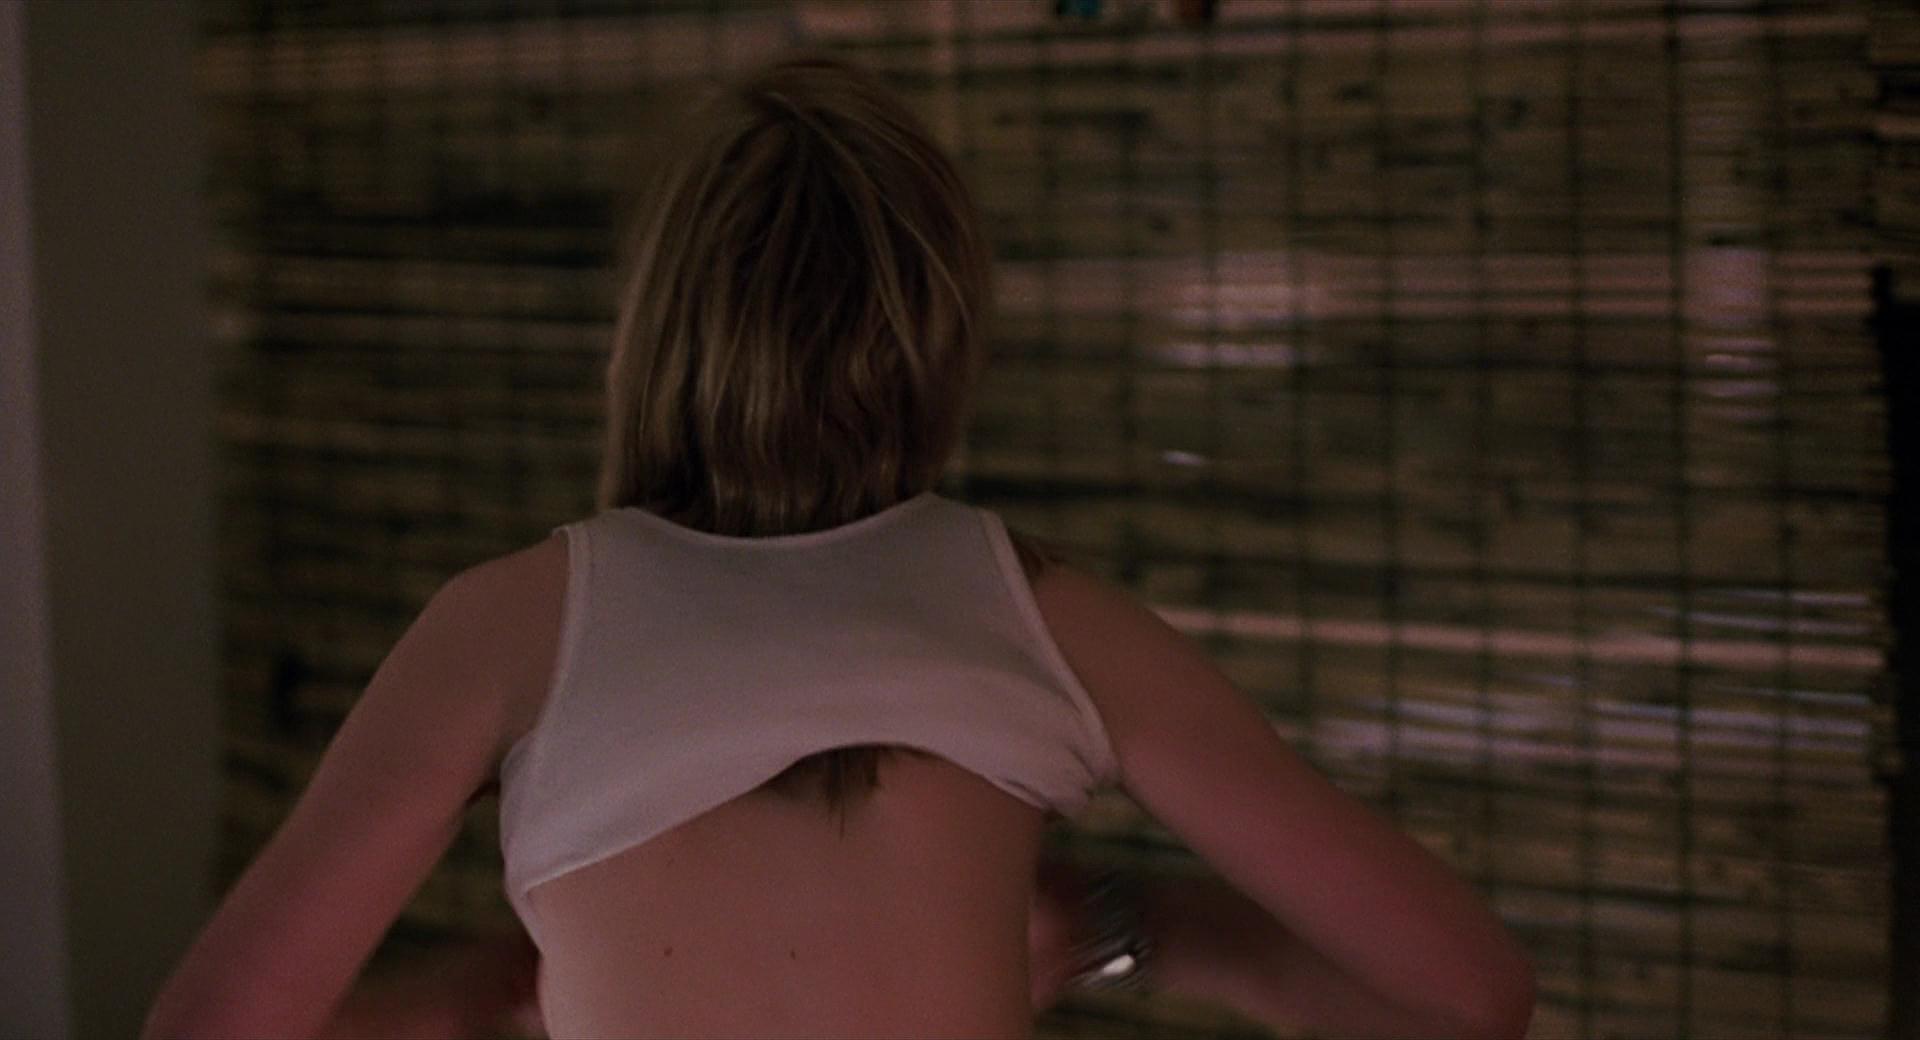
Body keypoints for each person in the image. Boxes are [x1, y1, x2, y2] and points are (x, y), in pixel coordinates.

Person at [142, 51, 1536, 1040]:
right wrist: (1139, 927)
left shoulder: (510, 628)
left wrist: (468, 995)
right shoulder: (1050, 623)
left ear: (656, 328)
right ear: (943, 334)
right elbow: (1467, 994)